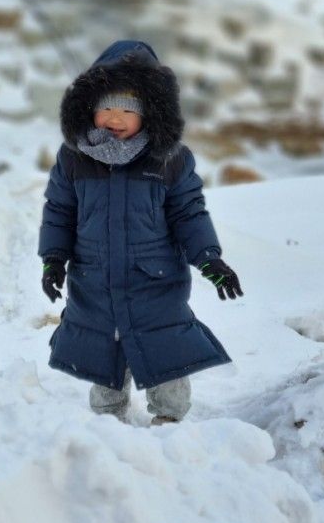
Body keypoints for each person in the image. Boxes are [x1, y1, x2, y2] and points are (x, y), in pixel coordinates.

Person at [39, 39, 242, 425]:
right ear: (90, 108)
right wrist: (53, 260)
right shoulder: (73, 158)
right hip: (94, 278)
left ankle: (170, 418)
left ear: (149, 113)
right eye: (106, 107)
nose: (115, 117)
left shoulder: (170, 159)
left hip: (155, 278)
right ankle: (107, 421)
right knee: (102, 352)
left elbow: (188, 213)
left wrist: (209, 259)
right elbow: (59, 212)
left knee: (165, 346)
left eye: (127, 109)